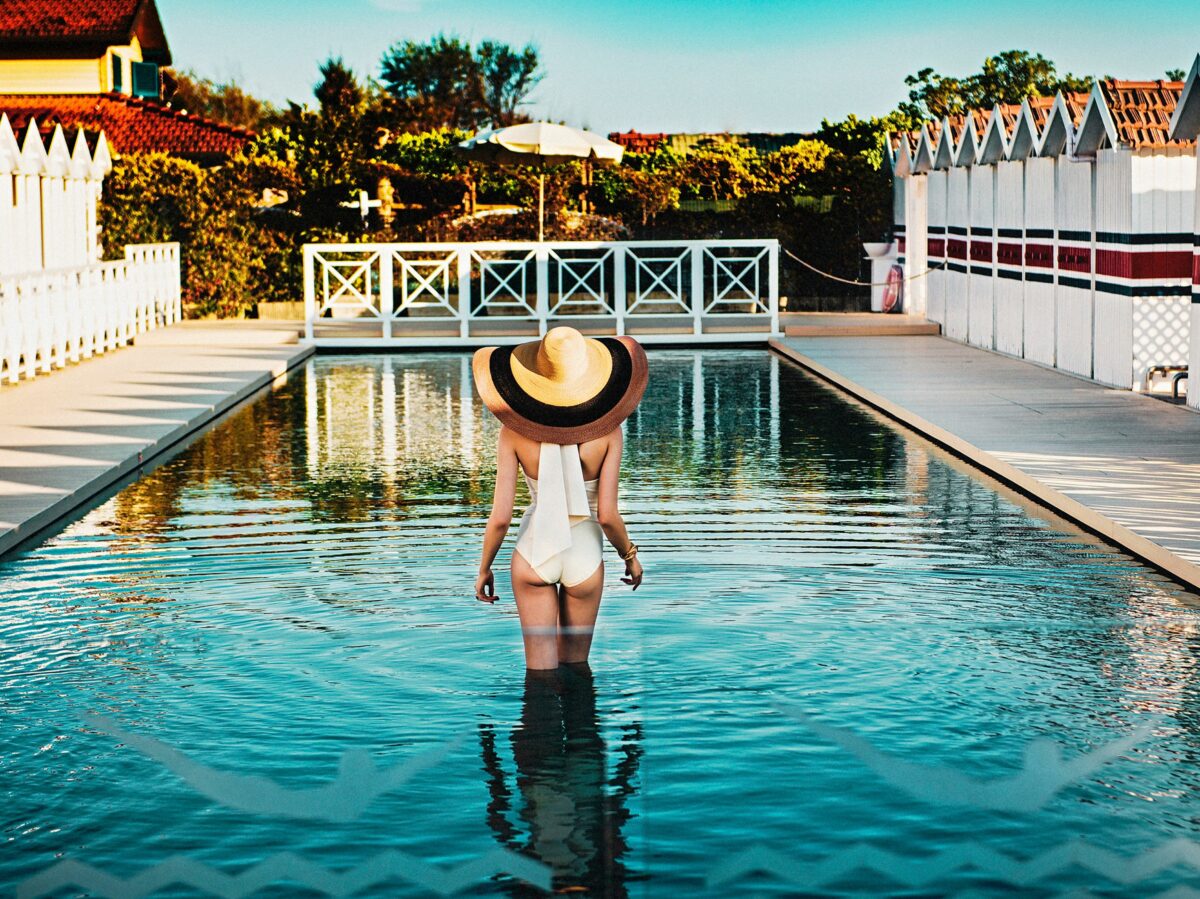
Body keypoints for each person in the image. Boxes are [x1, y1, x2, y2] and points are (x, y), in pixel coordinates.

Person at [472, 326, 648, 670]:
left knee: (539, 676)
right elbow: (608, 515)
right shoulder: (610, 433)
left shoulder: (512, 433)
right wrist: (630, 556)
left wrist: (484, 567)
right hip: (585, 558)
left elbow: (501, 517)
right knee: (577, 670)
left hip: (532, 555)